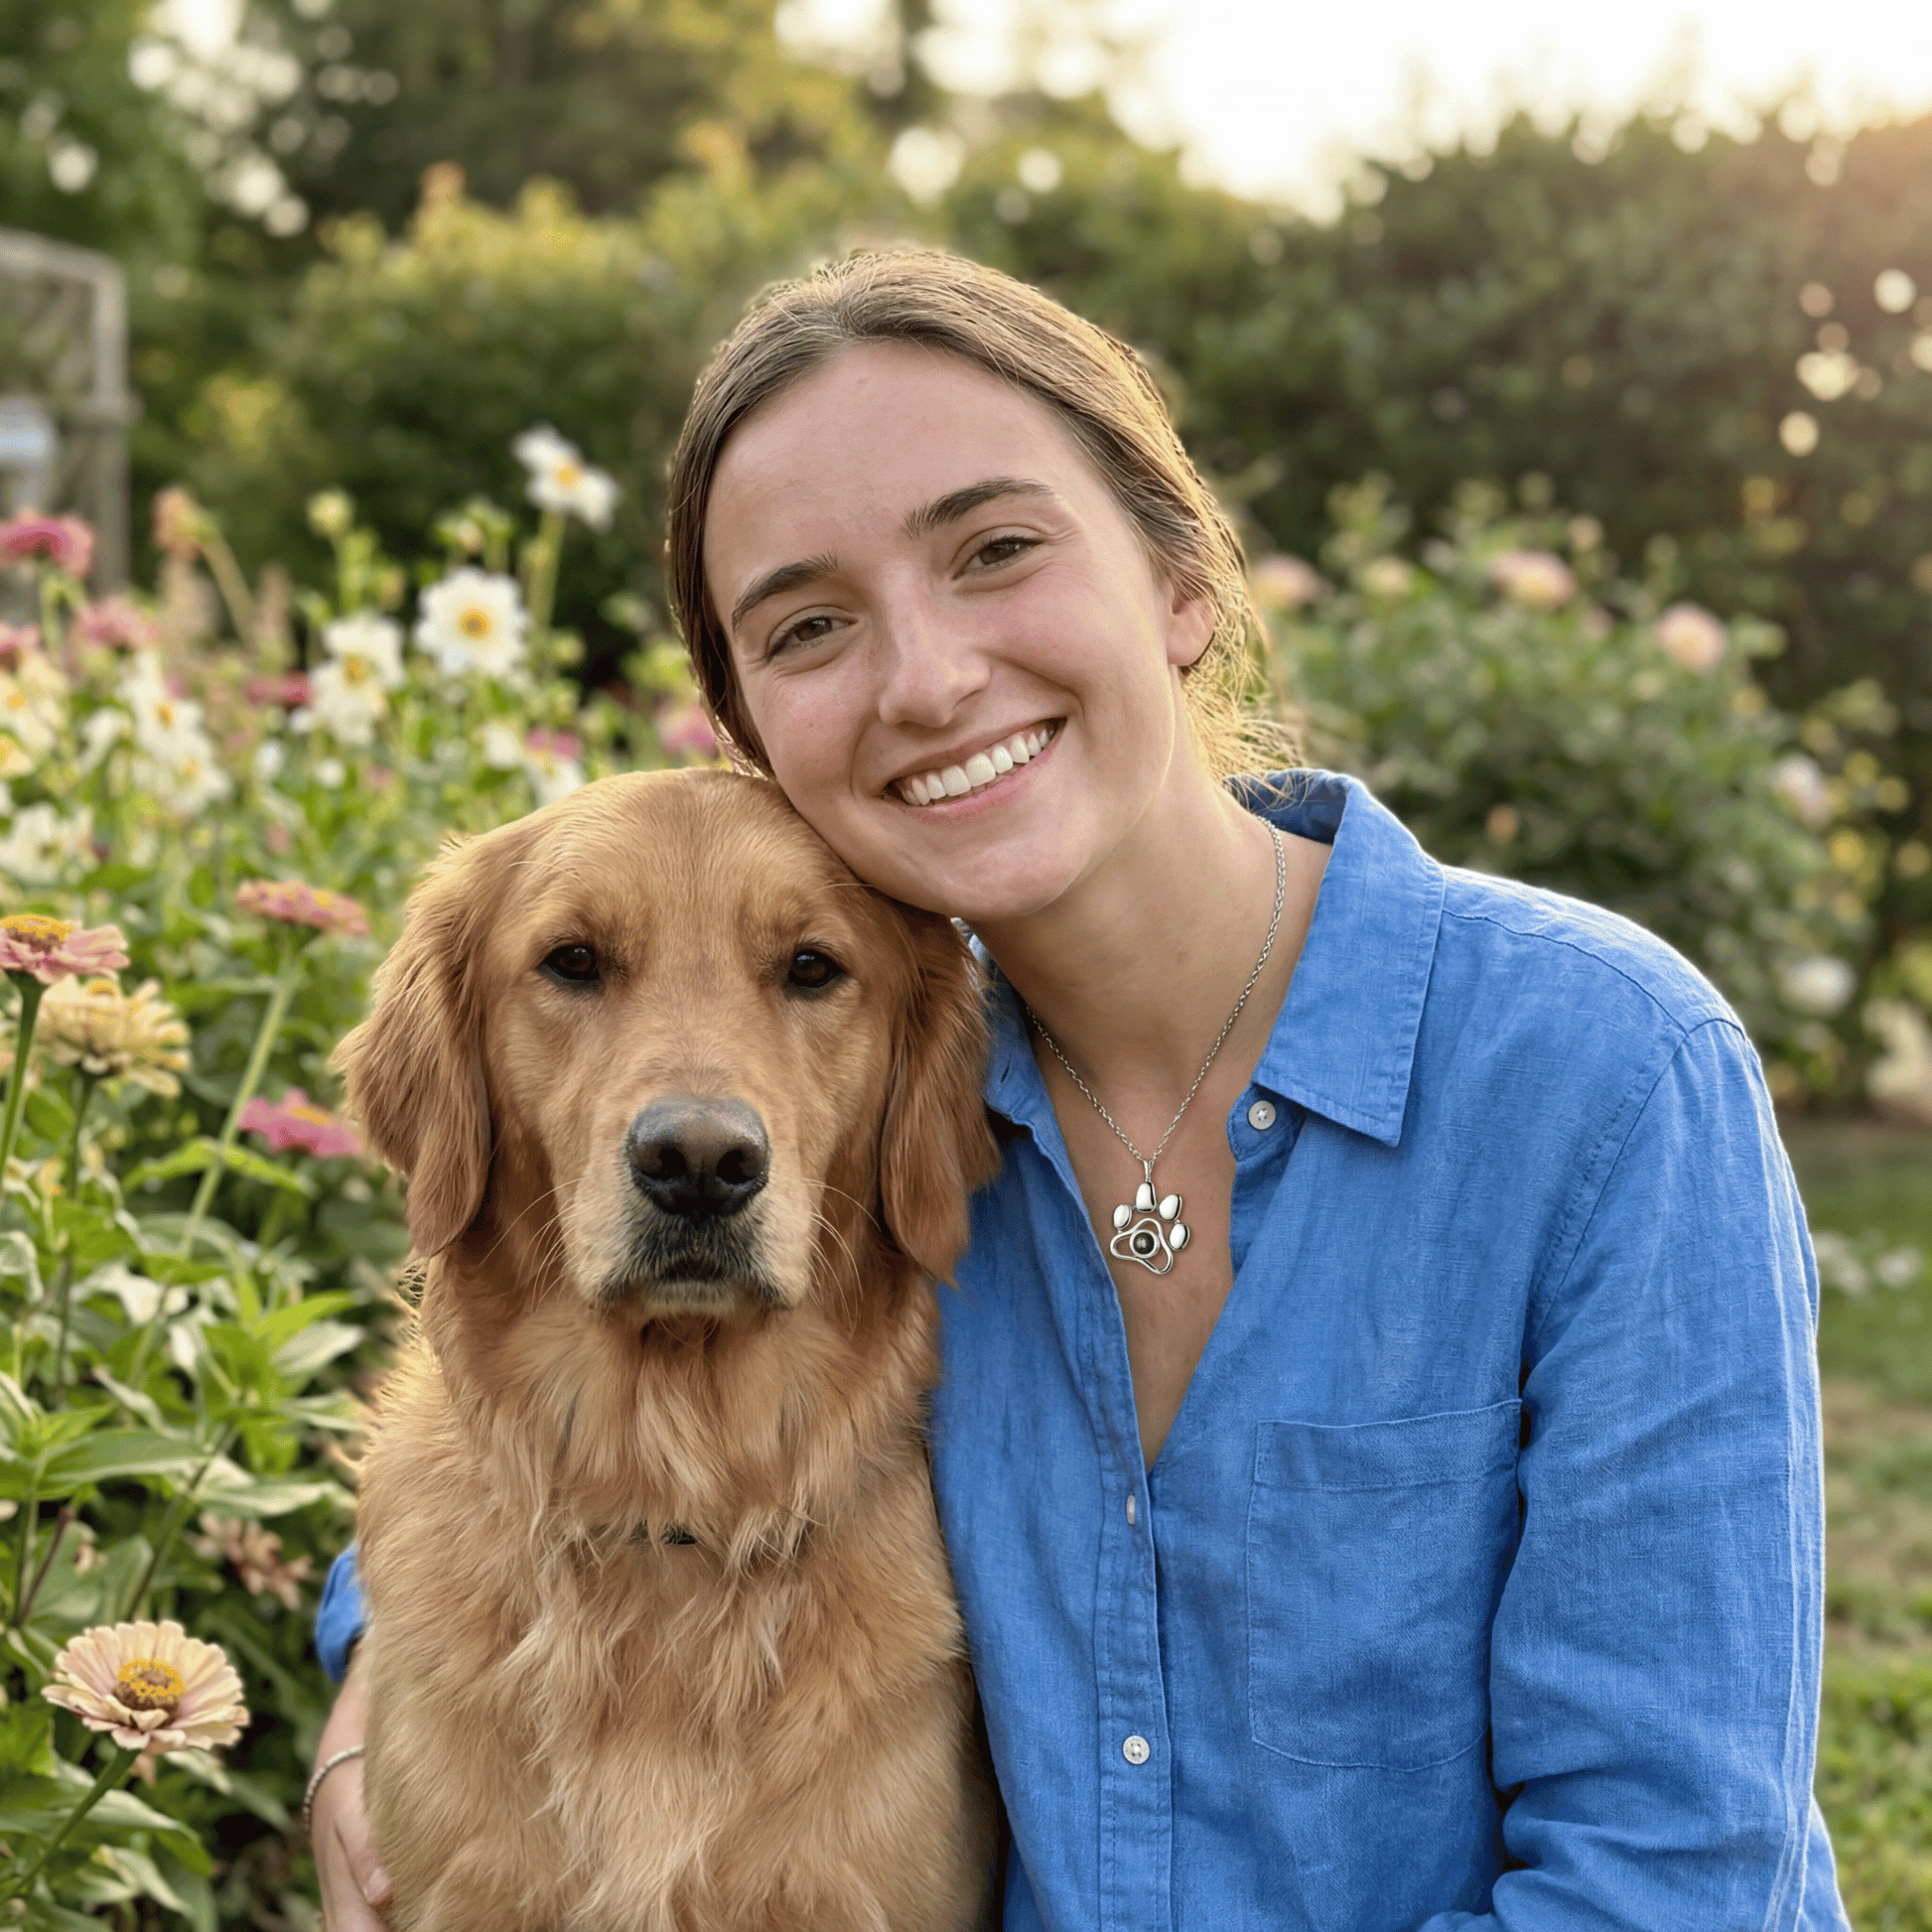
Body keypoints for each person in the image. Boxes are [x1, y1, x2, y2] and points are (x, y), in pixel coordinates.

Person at [310, 248, 1849, 1929]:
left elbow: (1671, 1876)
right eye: (809, 624)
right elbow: (537, 1408)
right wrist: (378, 1660)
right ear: (751, 729)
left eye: (995, 550)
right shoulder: (893, 1115)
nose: (922, 677)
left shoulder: (1608, 1078)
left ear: (1180, 582)